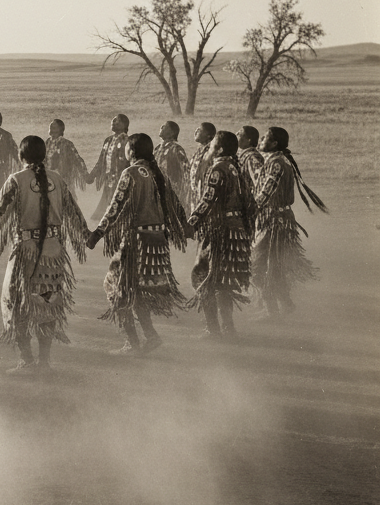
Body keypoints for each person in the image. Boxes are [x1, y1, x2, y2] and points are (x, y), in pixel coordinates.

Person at [0, 135, 88, 375]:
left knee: (15, 302)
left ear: (21, 156)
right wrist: (90, 236)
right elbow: (75, 214)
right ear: (44, 155)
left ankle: (27, 361)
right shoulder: (57, 179)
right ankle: (45, 362)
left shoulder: (16, 180)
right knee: (47, 303)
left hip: (26, 255)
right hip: (53, 254)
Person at [86, 133, 190, 355]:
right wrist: (185, 226)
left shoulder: (131, 173)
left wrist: (97, 234)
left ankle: (132, 343)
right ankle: (151, 336)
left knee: (116, 287)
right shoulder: (156, 172)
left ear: (131, 151)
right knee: (137, 292)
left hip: (137, 243)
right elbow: (175, 204)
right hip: (157, 242)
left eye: (126, 149)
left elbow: (114, 207)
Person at [185, 131, 254, 340]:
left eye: (213, 144)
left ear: (220, 148)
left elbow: (208, 200)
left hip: (219, 229)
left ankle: (213, 329)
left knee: (201, 275)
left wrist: (191, 224)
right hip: (235, 229)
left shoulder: (217, 168)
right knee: (222, 279)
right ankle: (228, 328)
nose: (210, 148)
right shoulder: (235, 167)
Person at [250, 126, 326, 316]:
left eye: (265, 138)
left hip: (274, 222)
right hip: (274, 219)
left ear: (274, 143)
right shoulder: (274, 161)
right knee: (273, 265)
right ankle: (284, 305)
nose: (260, 140)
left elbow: (266, 193)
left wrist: (247, 211)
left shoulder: (276, 163)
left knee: (260, 265)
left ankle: (272, 310)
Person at [87, 114, 130, 220]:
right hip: (108, 178)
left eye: (117, 121)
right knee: (108, 202)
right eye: (113, 120)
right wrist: (92, 175)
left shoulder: (127, 141)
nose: (113, 122)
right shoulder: (108, 140)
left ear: (124, 125)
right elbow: (101, 160)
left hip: (120, 179)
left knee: (118, 202)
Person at [153, 120, 190, 210]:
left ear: (172, 133)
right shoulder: (157, 149)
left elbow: (186, 172)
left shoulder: (176, 149)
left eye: (165, 126)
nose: (161, 127)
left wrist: (183, 193)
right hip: (157, 188)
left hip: (172, 191)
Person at [45, 119, 89, 192]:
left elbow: (77, 159)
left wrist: (85, 174)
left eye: (54, 127)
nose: (51, 128)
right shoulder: (47, 143)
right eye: (50, 127)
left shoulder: (67, 144)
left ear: (60, 130)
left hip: (63, 178)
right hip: (48, 178)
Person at [188, 122, 217, 209]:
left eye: (200, 130)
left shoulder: (212, 152)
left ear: (208, 136)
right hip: (196, 196)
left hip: (206, 198)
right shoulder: (199, 151)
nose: (196, 131)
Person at [236, 125, 264, 190]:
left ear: (248, 140)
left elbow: (260, 182)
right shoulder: (244, 155)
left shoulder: (252, 158)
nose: (236, 134)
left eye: (239, 134)